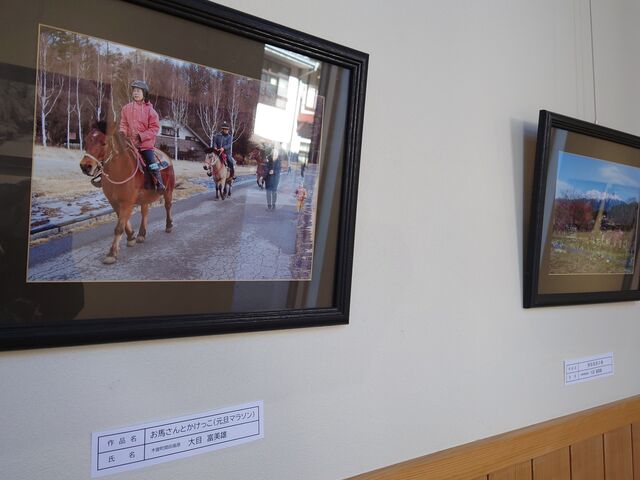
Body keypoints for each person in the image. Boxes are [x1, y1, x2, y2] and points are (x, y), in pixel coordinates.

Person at [118, 80, 164, 191]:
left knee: (151, 163)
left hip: (145, 145)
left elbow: (155, 128)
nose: (136, 93)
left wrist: (142, 136)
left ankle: (159, 183)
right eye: (134, 91)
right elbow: (123, 124)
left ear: (144, 93)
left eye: (138, 91)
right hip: (129, 144)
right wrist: (122, 132)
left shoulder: (151, 111)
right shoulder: (126, 108)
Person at [265, 144, 282, 210]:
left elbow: (279, 170)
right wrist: (268, 171)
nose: (274, 155)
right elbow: (266, 167)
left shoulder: (278, 162)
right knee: (268, 192)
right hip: (268, 179)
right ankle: (269, 205)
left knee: (274, 192)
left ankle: (273, 204)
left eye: (275, 154)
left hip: (275, 179)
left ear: (277, 155)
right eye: (273, 154)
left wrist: (273, 171)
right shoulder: (268, 160)